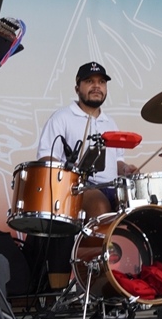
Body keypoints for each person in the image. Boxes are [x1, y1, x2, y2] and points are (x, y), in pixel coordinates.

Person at [37, 62, 137, 219]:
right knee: (99, 205)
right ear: (77, 89)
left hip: (112, 186)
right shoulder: (61, 118)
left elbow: (117, 160)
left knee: (138, 207)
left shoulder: (110, 122)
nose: (97, 86)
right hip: (77, 186)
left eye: (101, 82)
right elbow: (46, 158)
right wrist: (71, 171)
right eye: (90, 81)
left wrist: (124, 169)